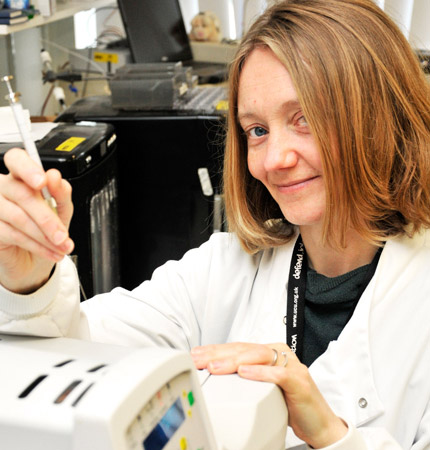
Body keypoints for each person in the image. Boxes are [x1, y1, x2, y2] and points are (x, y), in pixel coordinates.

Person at [1, 0, 430, 448]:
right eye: (257, 130)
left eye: (305, 118)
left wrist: (330, 435)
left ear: (378, 118)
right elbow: (78, 351)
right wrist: (31, 283)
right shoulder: (222, 270)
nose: (275, 160)